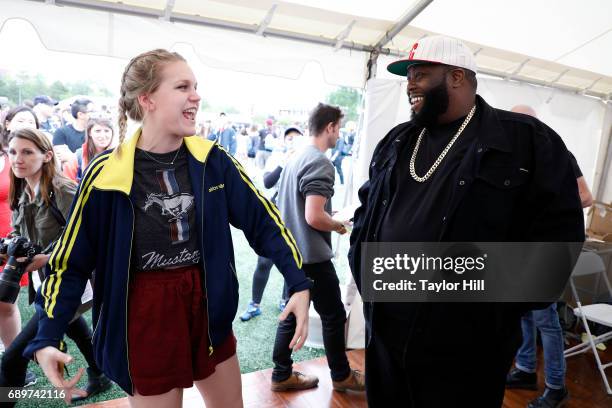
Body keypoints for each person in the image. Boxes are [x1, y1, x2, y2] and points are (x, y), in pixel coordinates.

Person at [25, 49, 311, 407]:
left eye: (196, 86)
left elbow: (263, 220)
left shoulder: (212, 159)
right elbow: (71, 262)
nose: (196, 96)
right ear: (148, 100)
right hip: (145, 317)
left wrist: (298, 281)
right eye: (182, 86)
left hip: (207, 311)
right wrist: (48, 335)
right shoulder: (105, 174)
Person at [348, 35, 584, 407]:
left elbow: (559, 238)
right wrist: (371, 279)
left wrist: (494, 316)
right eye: (409, 75)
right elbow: (365, 216)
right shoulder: (397, 141)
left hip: (465, 349)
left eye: (420, 74)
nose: (410, 83)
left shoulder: (525, 140)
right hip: (388, 336)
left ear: (456, 77)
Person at [0, 128, 111, 404]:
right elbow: (26, 236)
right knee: (74, 326)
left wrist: (47, 258)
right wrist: (10, 247)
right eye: (13, 152)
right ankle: (99, 373)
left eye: (27, 152)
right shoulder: (23, 188)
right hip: (47, 281)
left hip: (73, 281)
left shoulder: (63, 189)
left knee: (13, 357)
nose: (17, 159)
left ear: (47, 155)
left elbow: (93, 239)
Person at [271, 103, 364, 393]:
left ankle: (281, 373)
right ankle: (341, 375)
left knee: (290, 313)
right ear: (331, 128)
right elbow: (314, 216)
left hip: (293, 253)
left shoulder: (296, 156)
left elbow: (287, 207)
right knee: (334, 316)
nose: (341, 134)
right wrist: (339, 224)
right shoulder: (320, 162)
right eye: (340, 128)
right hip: (312, 256)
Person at [505, 104, 593, 408]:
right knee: (524, 312)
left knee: (545, 318)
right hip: (527, 249)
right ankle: (526, 369)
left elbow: (585, 196)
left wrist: (544, 210)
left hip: (551, 247)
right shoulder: (517, 159)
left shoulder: (560, 155)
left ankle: (556, 386)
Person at [240, 127, 301, 321]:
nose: (293, 141)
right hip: (274, 214)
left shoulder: (304, 159)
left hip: (294, 215)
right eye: (289, 138)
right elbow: (267, 182)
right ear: (284, 140)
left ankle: (285, 300)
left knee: (290, 258)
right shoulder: (277, 156)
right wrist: (284, 162)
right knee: (264, 261)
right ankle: (255, 303)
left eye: (297, 138)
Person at [0, 106, 39, 382]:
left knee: (5, 302)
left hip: (11, 237)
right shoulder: (8, 156)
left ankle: (14, 365)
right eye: (19, 120)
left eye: (30, 121)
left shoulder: (29, 161)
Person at [63, 117, 115, 182]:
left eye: (106, 131)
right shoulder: (77, 158)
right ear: (90, 132)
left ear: (112, 133)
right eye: (98, 131)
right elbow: (68, 186)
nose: (102, 135)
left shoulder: (119, 155)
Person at [53, 98, 94, 166]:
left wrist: (73, 157)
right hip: (71, 174)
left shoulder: (96, 132)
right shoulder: (61, 132)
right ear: (80, 114)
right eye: (92, 111)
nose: (95, 114)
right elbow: (62, 157)